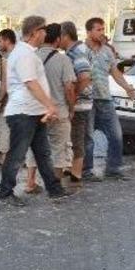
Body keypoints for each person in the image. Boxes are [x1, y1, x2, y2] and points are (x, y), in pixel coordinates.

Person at [0, 16, 73, 207]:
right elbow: (30, 83)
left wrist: (45, 106)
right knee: (17, 155)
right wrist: (50, 105)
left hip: (33, 112)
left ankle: (54, 189)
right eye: (43, 30)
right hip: (23, 113)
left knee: (43, 153)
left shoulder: (28, 53)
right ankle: (5, 193)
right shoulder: (24, 54)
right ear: (34, 33)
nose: (45, 34)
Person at [24, 23, 77, 194]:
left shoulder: (32, 57)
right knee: (58, 148)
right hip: (58, 110)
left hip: (35, 111)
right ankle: (55, 186)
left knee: (34, 146)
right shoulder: (63, 59)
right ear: (57, 39)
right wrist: (72, 108)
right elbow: (69, 88)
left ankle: (30, 182)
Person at [83, 18, 135, 181]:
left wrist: (127, 87)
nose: (102, 33)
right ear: (89, 31)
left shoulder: (107, 51)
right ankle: (86, 171)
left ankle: (113, 169)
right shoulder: (81, 50)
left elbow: (115, 71)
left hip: (105, 99)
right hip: (88, 100)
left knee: (116, 135)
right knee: (88, 138)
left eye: (103, 29)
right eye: (98, 29)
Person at [60, 21, 94, 184]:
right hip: (80, 102)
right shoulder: (75, 51)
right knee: (73, 138)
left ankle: (76, 173)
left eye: (59, 36)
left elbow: (84, 77)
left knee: (77, 138)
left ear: (65, 35)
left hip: (79, 104)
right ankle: (71, 169)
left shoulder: (77, 52)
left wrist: (73, 97)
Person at [0, 28, 17, 167]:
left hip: (9, 99)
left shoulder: (6, 58)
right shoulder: (21, 55)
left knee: (3, 126)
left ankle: (3, 156)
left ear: (7, 40)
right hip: (21, 98)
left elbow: (5, 82)